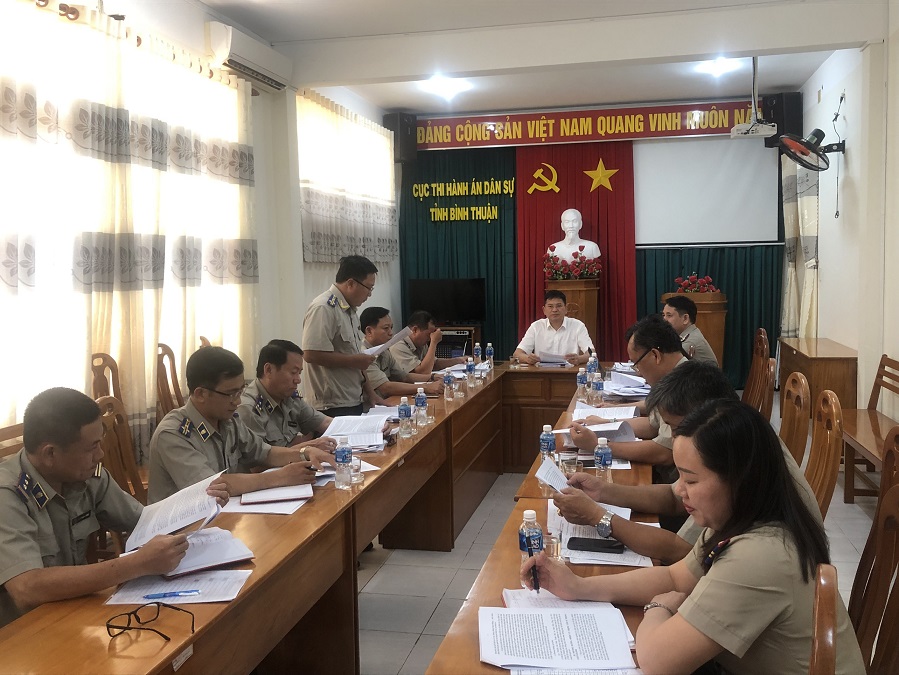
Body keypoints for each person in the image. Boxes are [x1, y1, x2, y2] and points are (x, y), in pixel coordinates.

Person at [523, 399, 865, 675]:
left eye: (690, 480)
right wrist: (579, 587)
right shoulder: (740, 518)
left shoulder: (762, 554)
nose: (679, 491)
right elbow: (675, 576)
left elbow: (657, 662)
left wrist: (659, 606)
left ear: (738, 479)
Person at [0, 388, 227, 629]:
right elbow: (27, 588)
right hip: (21, 633)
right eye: (92, 447)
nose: (100, 454)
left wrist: (199, 504)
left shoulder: (86, 475)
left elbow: (143, 522)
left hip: (73, 611)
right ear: (50, 453)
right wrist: (137, 564)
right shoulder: (9, 495)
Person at [555, 361, 822, 564]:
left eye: (676, 427)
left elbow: (681, 552)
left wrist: (598, 516)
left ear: (707, 418)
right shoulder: (737, 439)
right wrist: (603, 491)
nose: (673, 438)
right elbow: (674, 498)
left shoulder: (736, 463)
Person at [149, 347, 332, 503]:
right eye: (231, 394)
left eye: (240, 391)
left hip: (228, 513)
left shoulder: (228, 420)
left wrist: (304, 453)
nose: (238, 402)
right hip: (185, 528)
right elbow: (212, 487)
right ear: (200, 394)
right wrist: (280, 477)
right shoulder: (173, 434)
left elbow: (264, 452)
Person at [568, 315, 685, 469]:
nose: (639, 373)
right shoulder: (673, 378)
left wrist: (598, 446)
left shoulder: (684, 386)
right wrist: (605, 423)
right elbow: (652, 425)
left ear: (655, 355)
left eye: (636, 364)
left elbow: (664, 452)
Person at [302, 255, 379, 416]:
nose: (370, 294)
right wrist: (355, 360)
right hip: (331, 404)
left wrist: (371, 393)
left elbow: (355, 355)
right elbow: (311, 354)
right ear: (351, 283)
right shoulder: (324, 308)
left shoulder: (349, 310)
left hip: (353, 398)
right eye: (369, 288)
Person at [237, 340, 337, 451]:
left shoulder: (290, 397)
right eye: (293, 372)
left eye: (299, 373)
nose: (298, 380)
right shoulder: (248, 409)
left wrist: (352, 426)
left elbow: (325, 423)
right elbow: (260, 459)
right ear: (269, 370)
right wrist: (308, 448)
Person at [360, 307, 444, 398]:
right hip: (370, 405)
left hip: (385, 401)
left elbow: (404, 377)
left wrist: (432, 377)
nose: (391, 333)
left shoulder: (383, 350)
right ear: (369, 331)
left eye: (391, 328)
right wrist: (426, 387)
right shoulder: (363, 354)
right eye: (386, 328)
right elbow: (385, 387)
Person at [513, 290, 595, 366]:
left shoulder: (578, 326)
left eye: (559, 306)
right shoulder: (536, 327)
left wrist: (579, 359)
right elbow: (517, 354)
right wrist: (527, 359)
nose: (555, 310)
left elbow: (592, 353)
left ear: (566, 309)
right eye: (550, 306)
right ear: (544, 310)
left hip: (569, 372)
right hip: (542, 373)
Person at [389, 310, 465, 375]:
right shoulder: (398, 345)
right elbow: (423, 372)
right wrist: (434, 342)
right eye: (429, 334)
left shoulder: (420, 343)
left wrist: (459, 360)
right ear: (415, 330)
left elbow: (434, 364)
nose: (430, 338)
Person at [662, 295, 718, 365]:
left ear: (685, 318)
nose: (664, 319)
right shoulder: (686, 335)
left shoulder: (690, 342)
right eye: (663, 315)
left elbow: (665, 365)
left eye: (669, 315)